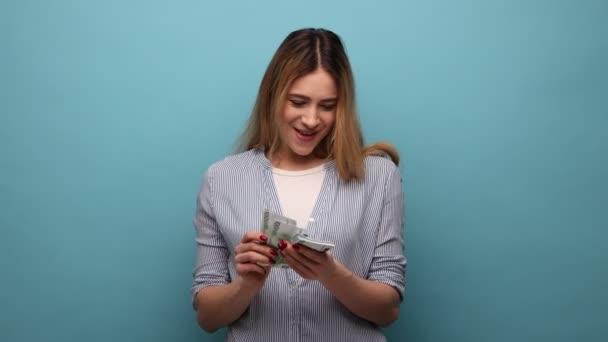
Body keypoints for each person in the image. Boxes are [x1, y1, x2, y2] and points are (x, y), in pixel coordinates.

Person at [191, 28, 406, 341]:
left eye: (327, 105)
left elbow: (388, 311)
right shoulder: (222, 179)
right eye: (298, 101)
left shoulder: (379, 177)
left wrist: (330, 274)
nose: (310, 119)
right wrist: (247, 283)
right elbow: (208, 318)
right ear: (273, 96)